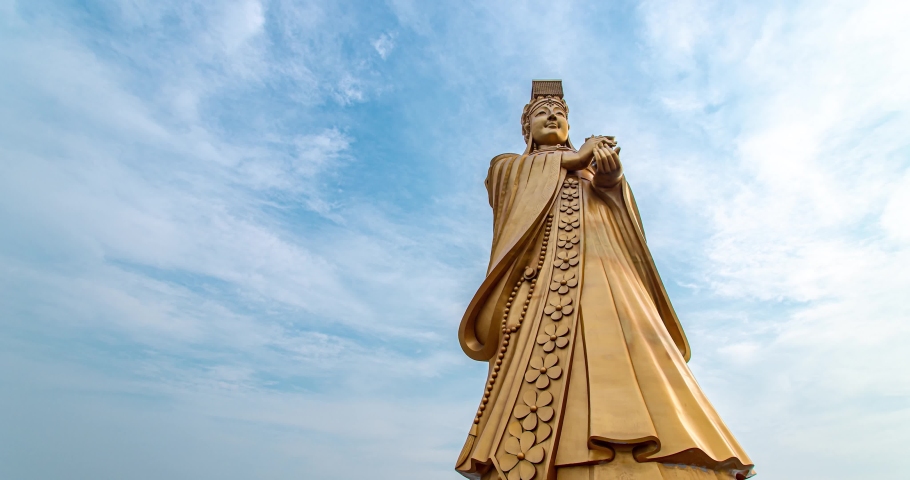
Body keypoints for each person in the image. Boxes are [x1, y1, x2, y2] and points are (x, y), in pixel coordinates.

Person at [455, 81, 754, 480]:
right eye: (541, 113)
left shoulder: (588, 169)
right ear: (527, 129)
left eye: (559, 112)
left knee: (630, 343)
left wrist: (610, 181)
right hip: (543, 284)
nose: (552, 116)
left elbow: (627, 226)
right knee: (536, 363)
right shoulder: (513, 165)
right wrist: (575, 159)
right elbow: (505, 180)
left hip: (607, 273)